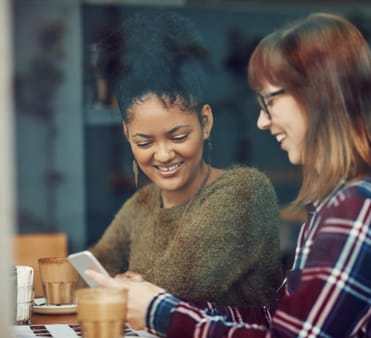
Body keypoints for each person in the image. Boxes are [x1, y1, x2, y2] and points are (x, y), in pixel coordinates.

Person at [86, 12, 371, 338]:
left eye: (269, 102)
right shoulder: (339, 203)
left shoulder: (356, 208)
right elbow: (276, 321)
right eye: (144, 142)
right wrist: (161, 304)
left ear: (318, 95)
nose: (262, 121)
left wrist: (160, 311)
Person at [86, 12, 284, 307]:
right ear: (127, 134)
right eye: (144, 142)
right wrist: (118, 283)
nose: (164, 154)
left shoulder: (246, 193)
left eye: (178, 137)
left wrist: (121, 284)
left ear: (205, 122)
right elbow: (88, 271)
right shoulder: (141, 205)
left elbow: (171, 288)